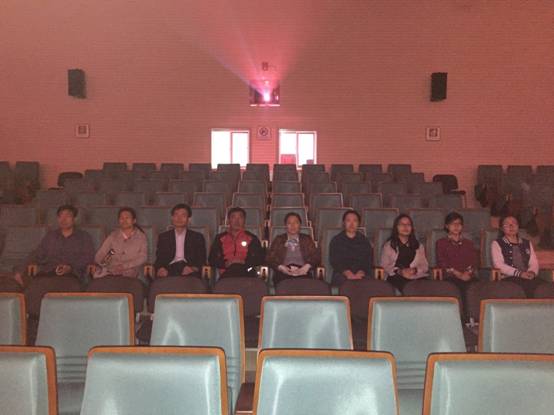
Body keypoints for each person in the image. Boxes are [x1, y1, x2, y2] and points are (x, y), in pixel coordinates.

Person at [15, 204, 95, 286]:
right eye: (60, 216)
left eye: (68, 216)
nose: (63, 219)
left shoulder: (84, 237)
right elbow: (37, 253)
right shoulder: (50, 236)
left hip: (73, 276)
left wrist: (70, 268)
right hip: (49, 274)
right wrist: (20, 270)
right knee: (35, 289)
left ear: (75, 219)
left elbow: (87, 257)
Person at [492, 215, 544, 297]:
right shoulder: (497, 243)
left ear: (518, 226)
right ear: (502, 228)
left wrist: (532, 272)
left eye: (514, 223)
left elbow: (534, 262)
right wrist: (519, 274)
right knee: (528, 287)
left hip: (527, 276)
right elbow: (498, 264)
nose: (511, 226)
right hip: (509, 277)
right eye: (507, 224)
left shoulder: (527, 243)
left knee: (544, 287)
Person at [436, 212, 479, 309]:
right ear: (447, 226)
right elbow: (442, 263)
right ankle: (463, 316)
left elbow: (473, 262)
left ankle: (475, 316)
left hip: (468, 276)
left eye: (459, 223)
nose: (456, 226)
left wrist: (468, 273)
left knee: (477, 287)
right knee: (461, 288)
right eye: (452, 223)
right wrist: (458, 274)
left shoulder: (469, 243)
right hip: (451, 276)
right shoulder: (441, 243)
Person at [266, 212, 320, 285]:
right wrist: (281, 267)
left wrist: (306, 267)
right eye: (289, 223)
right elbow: (270, 258)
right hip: (284, 272)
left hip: (303, 271)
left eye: (296, 222)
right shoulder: (279, 239)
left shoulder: (306, 239)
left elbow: (316, 256)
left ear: (300, 225)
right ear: (285, 226)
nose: (293, 225)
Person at [154, 204, 206, 278]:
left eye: (183, 215)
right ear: (172, 218)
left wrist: (193, 269)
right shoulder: (163, 237)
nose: (179, 218)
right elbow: (159, 258)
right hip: (169, 269)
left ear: (189, 219)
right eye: (176, 215)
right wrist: (160, 268)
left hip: (189, 269)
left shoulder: (197, 237)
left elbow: (201, 259)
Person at [208, 207, 264, 277]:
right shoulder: (220, 238)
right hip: (227, 272)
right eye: (233, 217)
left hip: (246, 271)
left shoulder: (252, 238)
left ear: (244, 220)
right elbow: (212, 259)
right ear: (228, 220)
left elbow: (259, 258)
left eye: (240, 218)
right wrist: (225, 264)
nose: (237, 221)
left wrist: (243, 262)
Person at [93, 207, 147, 279]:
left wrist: (125, 266)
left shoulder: (141, 236)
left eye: (127, 218)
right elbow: (99, 255)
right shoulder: (113, 236)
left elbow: (143, 257)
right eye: (121, 218)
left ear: (134, 220)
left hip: (131, 272)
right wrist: (108, 265)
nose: (124, 220)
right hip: (111, 271)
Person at [380, 214, 429, 292]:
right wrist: (400, 271)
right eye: (402, 224)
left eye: (408, 224)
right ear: (396, 227)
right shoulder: (389, 245)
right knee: (408, 287)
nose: (405, 227)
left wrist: (415, 270)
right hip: (396, 276)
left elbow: (424, 265)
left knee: (428, 286)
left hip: (416, 276)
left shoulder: (419, 246)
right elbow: (384, 265)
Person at [329, 209, 372, 285]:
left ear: (359, 223)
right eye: (348, 220)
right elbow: (335, 261)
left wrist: (361, 272)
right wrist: (347, 273)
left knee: (369, 284)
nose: (351, 224)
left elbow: (368, 261)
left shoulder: (365, 241)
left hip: (361, 274)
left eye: (355, 221)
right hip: (342, 273)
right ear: (343, 223)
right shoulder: (336, 240)